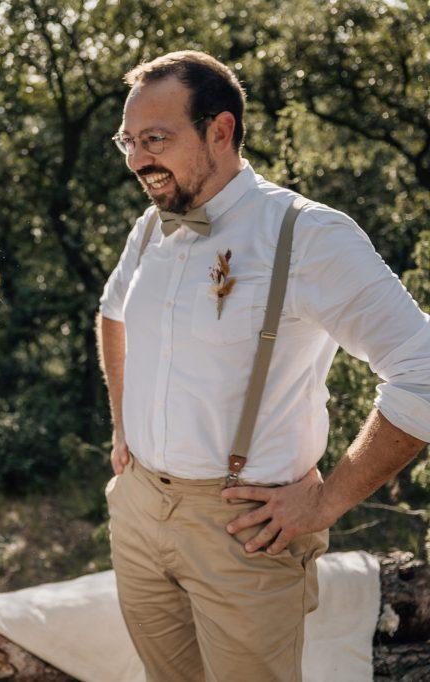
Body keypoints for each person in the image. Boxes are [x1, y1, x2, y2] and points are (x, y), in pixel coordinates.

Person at [96, 50, 430, 681]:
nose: (137, 160)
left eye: (156, 139)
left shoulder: (307, 235)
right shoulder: (149, 227)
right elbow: (113, 314)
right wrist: (122, 427)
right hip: (138, 512)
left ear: (220, 131)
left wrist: (327, 502)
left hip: (244, 529)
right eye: (128, 141)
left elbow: (423, 369)